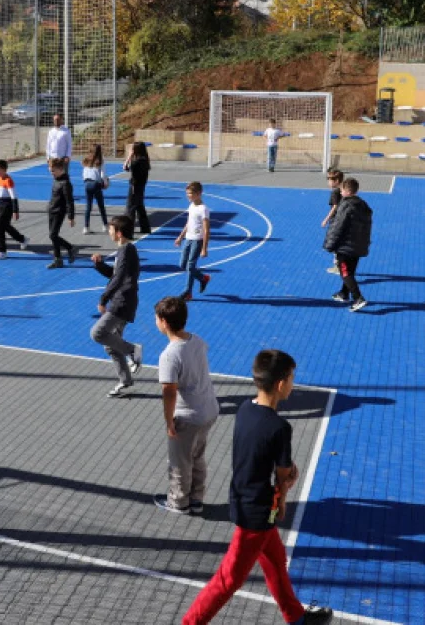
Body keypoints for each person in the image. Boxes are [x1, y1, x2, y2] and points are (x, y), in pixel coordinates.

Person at [182, 350, 334, 625]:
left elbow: (258, 453)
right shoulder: (280, 428)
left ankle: (296, 617)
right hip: (257, 514)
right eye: (291, 378)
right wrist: (285, 493)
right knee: (228, 580)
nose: (292, 383)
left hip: (243, 500)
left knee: (275, 562)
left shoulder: (245, 410)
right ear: (280, 384)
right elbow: (284, 475)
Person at [153, 296, 219, 515]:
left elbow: (169, 391)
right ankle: (197, 499)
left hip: (188, 416)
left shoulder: (169, 356)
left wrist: (169, 420)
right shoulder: (197, 340)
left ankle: (179, 502)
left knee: (180, 462)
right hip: (208, 409)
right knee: (197, 456)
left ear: (163, 321)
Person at [91, 215, 142, 398]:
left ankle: (132, 350)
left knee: (98, 333)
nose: (109, 232)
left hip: (122, 302)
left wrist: (103, 298)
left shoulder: (126, 250)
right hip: (123, 301)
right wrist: (99, 265)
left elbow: (119, 278)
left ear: (119, 233)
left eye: (111, 229)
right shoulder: (125, 250)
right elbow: (115, 275)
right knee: (111, 345)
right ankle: (125, 380)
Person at [324, 176, 372, 312]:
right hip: (359, 245)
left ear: (347, 191)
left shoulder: (345, 205)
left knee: (345, 272)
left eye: (342, 190)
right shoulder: (363, 205)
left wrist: (330, 244)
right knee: (350, 271)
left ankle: (358, 298)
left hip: (346, 246)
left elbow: (338, 226)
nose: (340, 192)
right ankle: (344, 293)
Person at [175, 181, 212, 301]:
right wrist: (180, 237)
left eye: (190, 193)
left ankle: (187, 292)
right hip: (188, 239)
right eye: (187, 193)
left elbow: (206, 230)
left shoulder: (204, 209)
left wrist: (204, 248)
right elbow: (189, 223)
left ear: (198, 193)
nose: (188, 196)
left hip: (197, 240)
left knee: (190, 266)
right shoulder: (191, 206)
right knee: (183, 265)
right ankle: (203, 278)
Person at [0, 159, 27, 260]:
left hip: (8, 206)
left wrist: (15, 211)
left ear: (4, 169)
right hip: (1, 205)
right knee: (6, 227)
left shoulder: (8, 180)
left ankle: (2, 251)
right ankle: (22, 239)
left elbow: (13, 197)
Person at [45, 157, 77, 269]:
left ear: (60, 169)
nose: (51, 174)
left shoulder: (66, 183)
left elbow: (69, 201)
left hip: (59, 212)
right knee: (53, 237)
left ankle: (70, 248)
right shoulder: (56, 180)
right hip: (51, 210)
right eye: (50, 171)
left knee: (53, 235)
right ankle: (58, 260)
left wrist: (71, 216)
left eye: (53, 171)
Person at [123, 141, 151, 236]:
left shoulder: (137, 161)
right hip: (141, 186)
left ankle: (129, 230)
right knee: (139, 207)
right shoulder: (145, 160)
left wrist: (129, 156)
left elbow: (125, 167)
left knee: (130, 208)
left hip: (134, 186)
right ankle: (145, 227)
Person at [320, 169, 345, 274]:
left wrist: (326, 219)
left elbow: (334, 207)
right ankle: (340, 265)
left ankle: (338, 266)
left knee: (335, 243)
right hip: (343, 219)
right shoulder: (343, 189)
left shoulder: (335, 192)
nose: (328, 182)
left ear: (336, 180)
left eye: (329, 180)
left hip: (336, 221)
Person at [81, 144, 110, 235]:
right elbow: (102, 175)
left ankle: (86, 227)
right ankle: (105, 225)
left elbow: (84, 174)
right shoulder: (100, 161)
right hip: (95, 184)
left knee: (88, 207)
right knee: (101, 205)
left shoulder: (86, 160)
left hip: (86, 183)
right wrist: (105, 183)